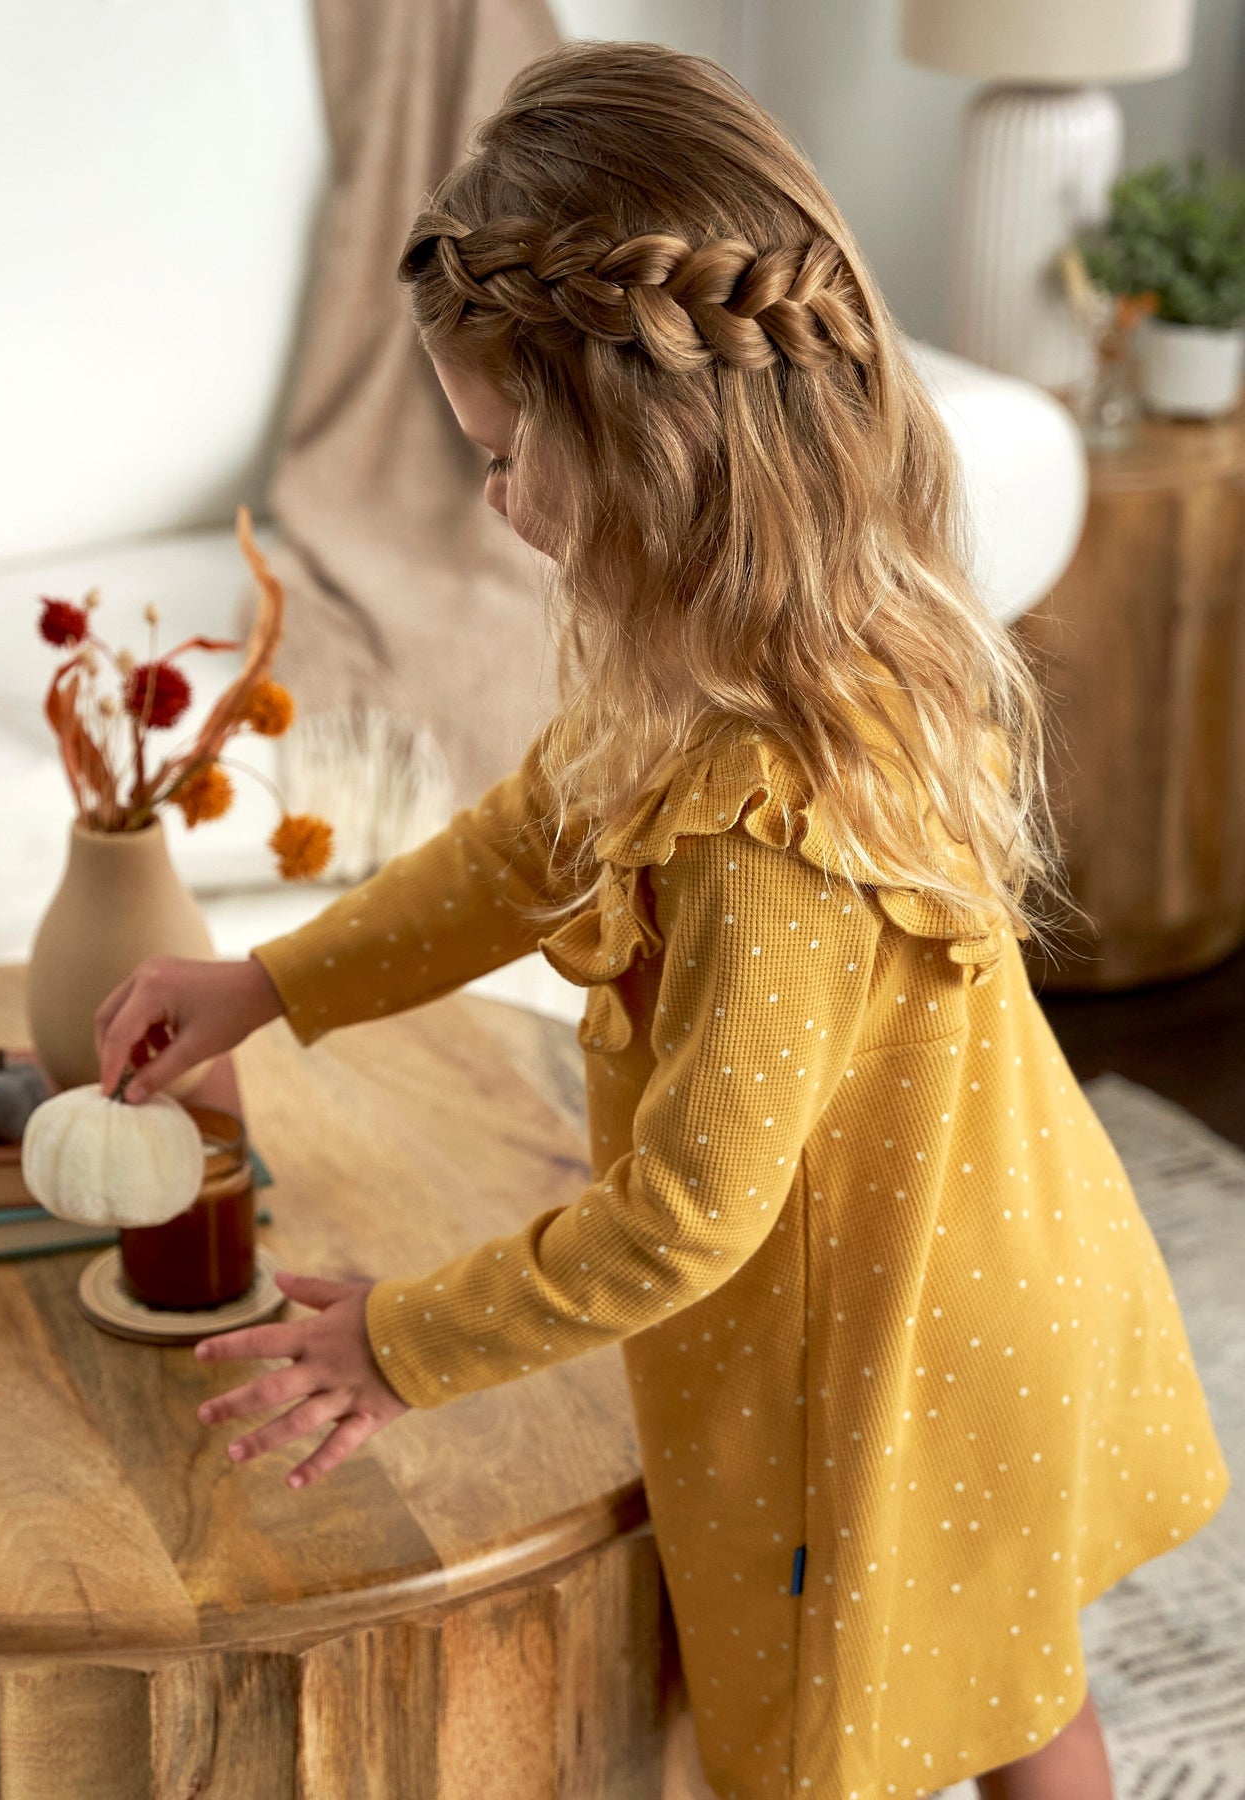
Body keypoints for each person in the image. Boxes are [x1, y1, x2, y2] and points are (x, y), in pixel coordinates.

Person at [91, 41, 1229, 1800]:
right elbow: (522, 847)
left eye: (499, 454)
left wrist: (394, 1346)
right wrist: (269, 980)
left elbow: (683, 1218)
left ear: (646, 450)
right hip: (983, 1265)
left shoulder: (774, 825)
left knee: (878, 1717)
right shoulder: (739, 661)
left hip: (902, 1354)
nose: (489, 500)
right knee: (1015, 1683)